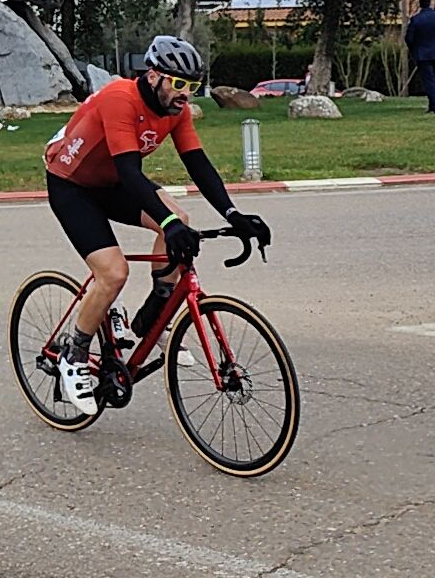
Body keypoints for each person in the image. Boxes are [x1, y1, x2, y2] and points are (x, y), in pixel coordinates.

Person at [41, 35, 272, 415]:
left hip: (113, 182)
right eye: (179, 84)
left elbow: (198, 163)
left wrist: (233, 215)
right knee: (114, 274)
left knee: (178, 221)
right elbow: (130, 171)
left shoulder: (176, 111)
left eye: (192, 87)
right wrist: (164, 219)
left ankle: (151, 319)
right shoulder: (120, 98)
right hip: (73, 186)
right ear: (154, 76)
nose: (185, 94)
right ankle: (74, 352)